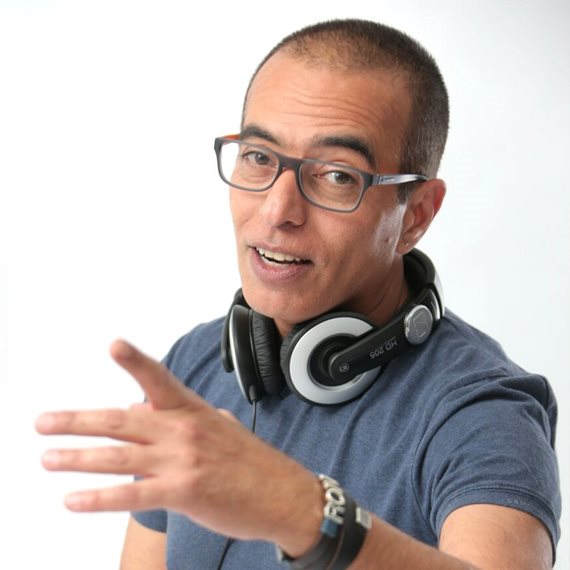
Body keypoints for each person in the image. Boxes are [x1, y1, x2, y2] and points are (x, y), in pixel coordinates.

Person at [36, 18, 560, 570]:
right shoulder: (193, 368)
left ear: (417, 215)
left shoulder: (483, 412)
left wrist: (302, 514)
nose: (277, 211)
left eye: (337, 175)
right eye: (259, 157)